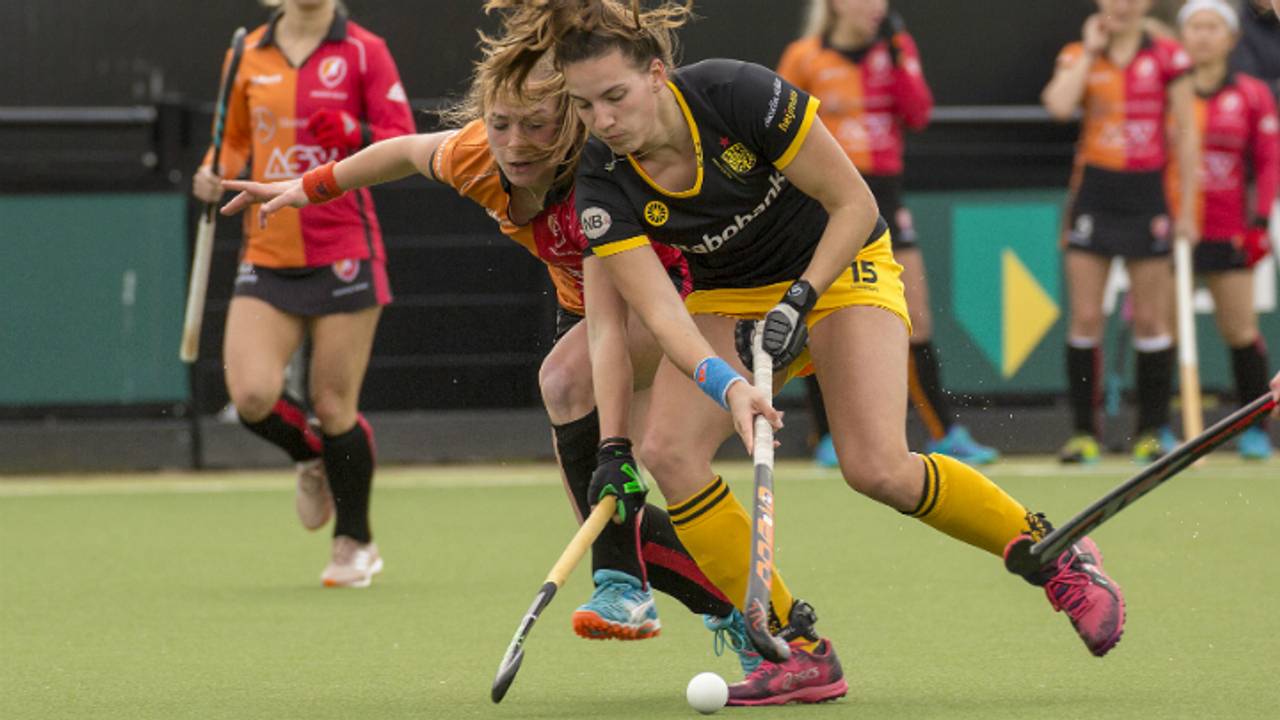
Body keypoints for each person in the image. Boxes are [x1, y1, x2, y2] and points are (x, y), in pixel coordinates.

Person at [496, 0, 1128, 706]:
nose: (605, 121)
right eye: (585, 107)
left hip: (836, 261)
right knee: (669, 451)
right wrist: (712, 395)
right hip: (728, 294)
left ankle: (1053, 556)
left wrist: (801, 299)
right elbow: (651, 314)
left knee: (876, 466)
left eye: (615, 97)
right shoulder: (603, 180)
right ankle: (794, 648)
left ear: (655, 73)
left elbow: (854, 204)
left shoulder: (737, 94)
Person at [219, 23, 752, 657]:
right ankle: (739, 616)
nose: (514, 144)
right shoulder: (479, 157)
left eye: (536, 126)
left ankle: (625, 584)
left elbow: (617, 320)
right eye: (500, 123)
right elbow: (402, 153)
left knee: (570, 394)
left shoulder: (600, 180)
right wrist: (307, 188)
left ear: (574, 124)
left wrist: (614, 440)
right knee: (607, 506)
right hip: (583, 313)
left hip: (681, 296)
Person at [190, 0, 414, 587]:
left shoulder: (366, 50)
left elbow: (403, 144)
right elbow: (233, 143)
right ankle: (309, 455)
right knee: (252, 393)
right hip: (266, 251)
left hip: (345, 246)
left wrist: (351, 134)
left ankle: (355, 542)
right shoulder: (246, 52)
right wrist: (211, 171)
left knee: (335, 402)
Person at [777, 0, 998, 467]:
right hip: (824, 199)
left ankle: (944, 432)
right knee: (821, 317)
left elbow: (918, 113)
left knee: (914, 314)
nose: (875, 6)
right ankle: (827, 436)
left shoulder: (896, 49)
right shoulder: (805, 56)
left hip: (884, 198)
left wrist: (899, 57)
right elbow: (776, 134)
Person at [1042, 0, 1200, 464]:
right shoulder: (1079, 53)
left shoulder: (1169, 57)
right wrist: (1091, 51)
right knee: (1086, 316)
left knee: (1152, 319)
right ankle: (1083, 433)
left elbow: (1187, 132)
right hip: (1094, 192)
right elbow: (1057, 105)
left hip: (1147, 193)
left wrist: (1187, 208)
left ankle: (1151, 431)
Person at [1170, 0, 1278, 459]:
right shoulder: (1168, 92)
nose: (1204, 36)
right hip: (1173, 231)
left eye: (1214, 27)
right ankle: (1155, 427)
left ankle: (1254, 428)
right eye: (1195, 27)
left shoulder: (1252, 94)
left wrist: (1257, 220)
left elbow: (1270, 161)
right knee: (1159, 329)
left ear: (1231, 38)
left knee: (1239, 329)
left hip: (1228, 227)